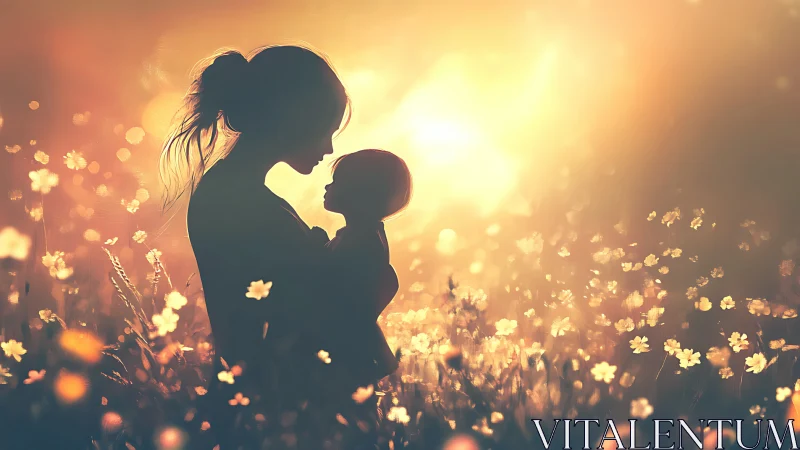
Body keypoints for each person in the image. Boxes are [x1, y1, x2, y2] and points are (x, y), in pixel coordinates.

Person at [159, 44, 367, 448]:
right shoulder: (238, 200)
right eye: (325, 128)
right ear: (294, 119)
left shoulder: (235, 192)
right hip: (271, 402)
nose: (329, 149)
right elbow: (284, 308)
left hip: (264, 395)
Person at [316, 149, 411, 389]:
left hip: (343, 357)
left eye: (337, 182)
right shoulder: (364, 236)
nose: (328, 187)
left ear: (361, 193)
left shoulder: (361, 242)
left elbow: (347, 302)